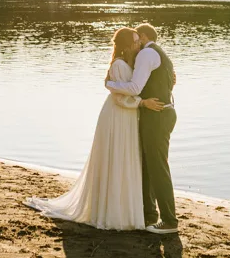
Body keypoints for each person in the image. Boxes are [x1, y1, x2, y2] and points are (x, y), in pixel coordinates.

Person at [25, 27, 166, 230]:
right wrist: (141, 102)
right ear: (127, 45)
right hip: (117, 116)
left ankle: (126, 208)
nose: (138, 44)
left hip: (129, 117)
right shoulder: (119, 65)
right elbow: (120, 98)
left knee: (126, 159)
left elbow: (140, 83)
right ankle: (112, 211)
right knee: (116, 158)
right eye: (135, 41)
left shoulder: (132, 63)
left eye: (138, 40)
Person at [105, 23, 178, 235]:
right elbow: (166, 82)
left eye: (138, 39)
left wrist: (110, 85)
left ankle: (169, 220)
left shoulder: (146, 54)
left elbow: (135, 87)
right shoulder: (159, 53)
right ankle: (149, 215)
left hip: (158, 115)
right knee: (148, 166)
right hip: (159, 113)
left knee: (157, 168)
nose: (136, 44)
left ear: (144, 37)